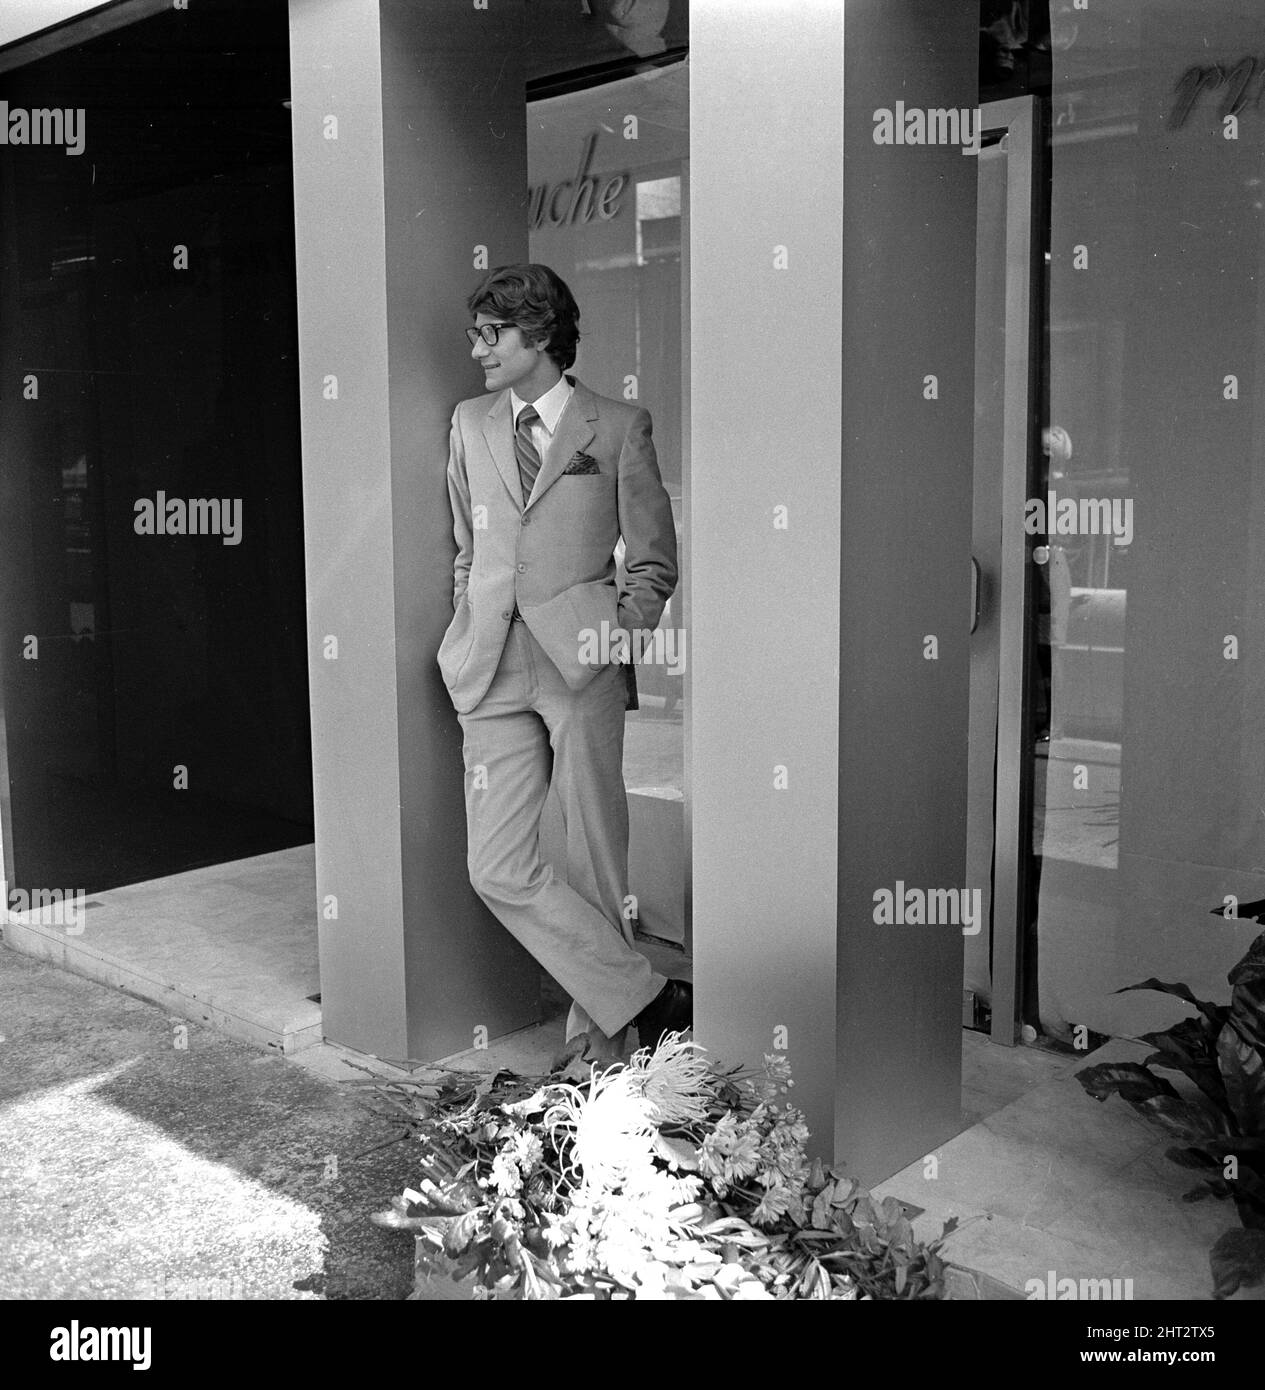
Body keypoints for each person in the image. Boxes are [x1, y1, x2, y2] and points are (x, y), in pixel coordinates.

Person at [438, 262, 690, 1058]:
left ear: (539, 336)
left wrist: (615, 637)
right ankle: (643, 996)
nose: (477, 348)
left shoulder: (616, 426)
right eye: (475, 333)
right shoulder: (469, 422)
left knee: (591, 857)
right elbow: (468, 545)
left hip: (579, 664)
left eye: (492, 333)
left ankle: (602, 1056)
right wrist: (467, 618)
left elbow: (652, 563)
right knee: (497, 866)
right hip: (488, 664)